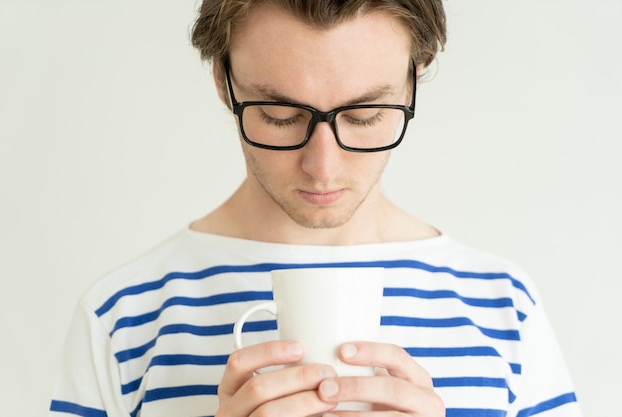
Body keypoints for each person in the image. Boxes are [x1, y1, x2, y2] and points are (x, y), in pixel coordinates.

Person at [49, 1, 582, 416]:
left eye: (366, 115)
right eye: (280, 115)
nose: (323, 167)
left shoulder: (503, 306)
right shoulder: (121, 318)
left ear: (415, 78)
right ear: (222, 80)